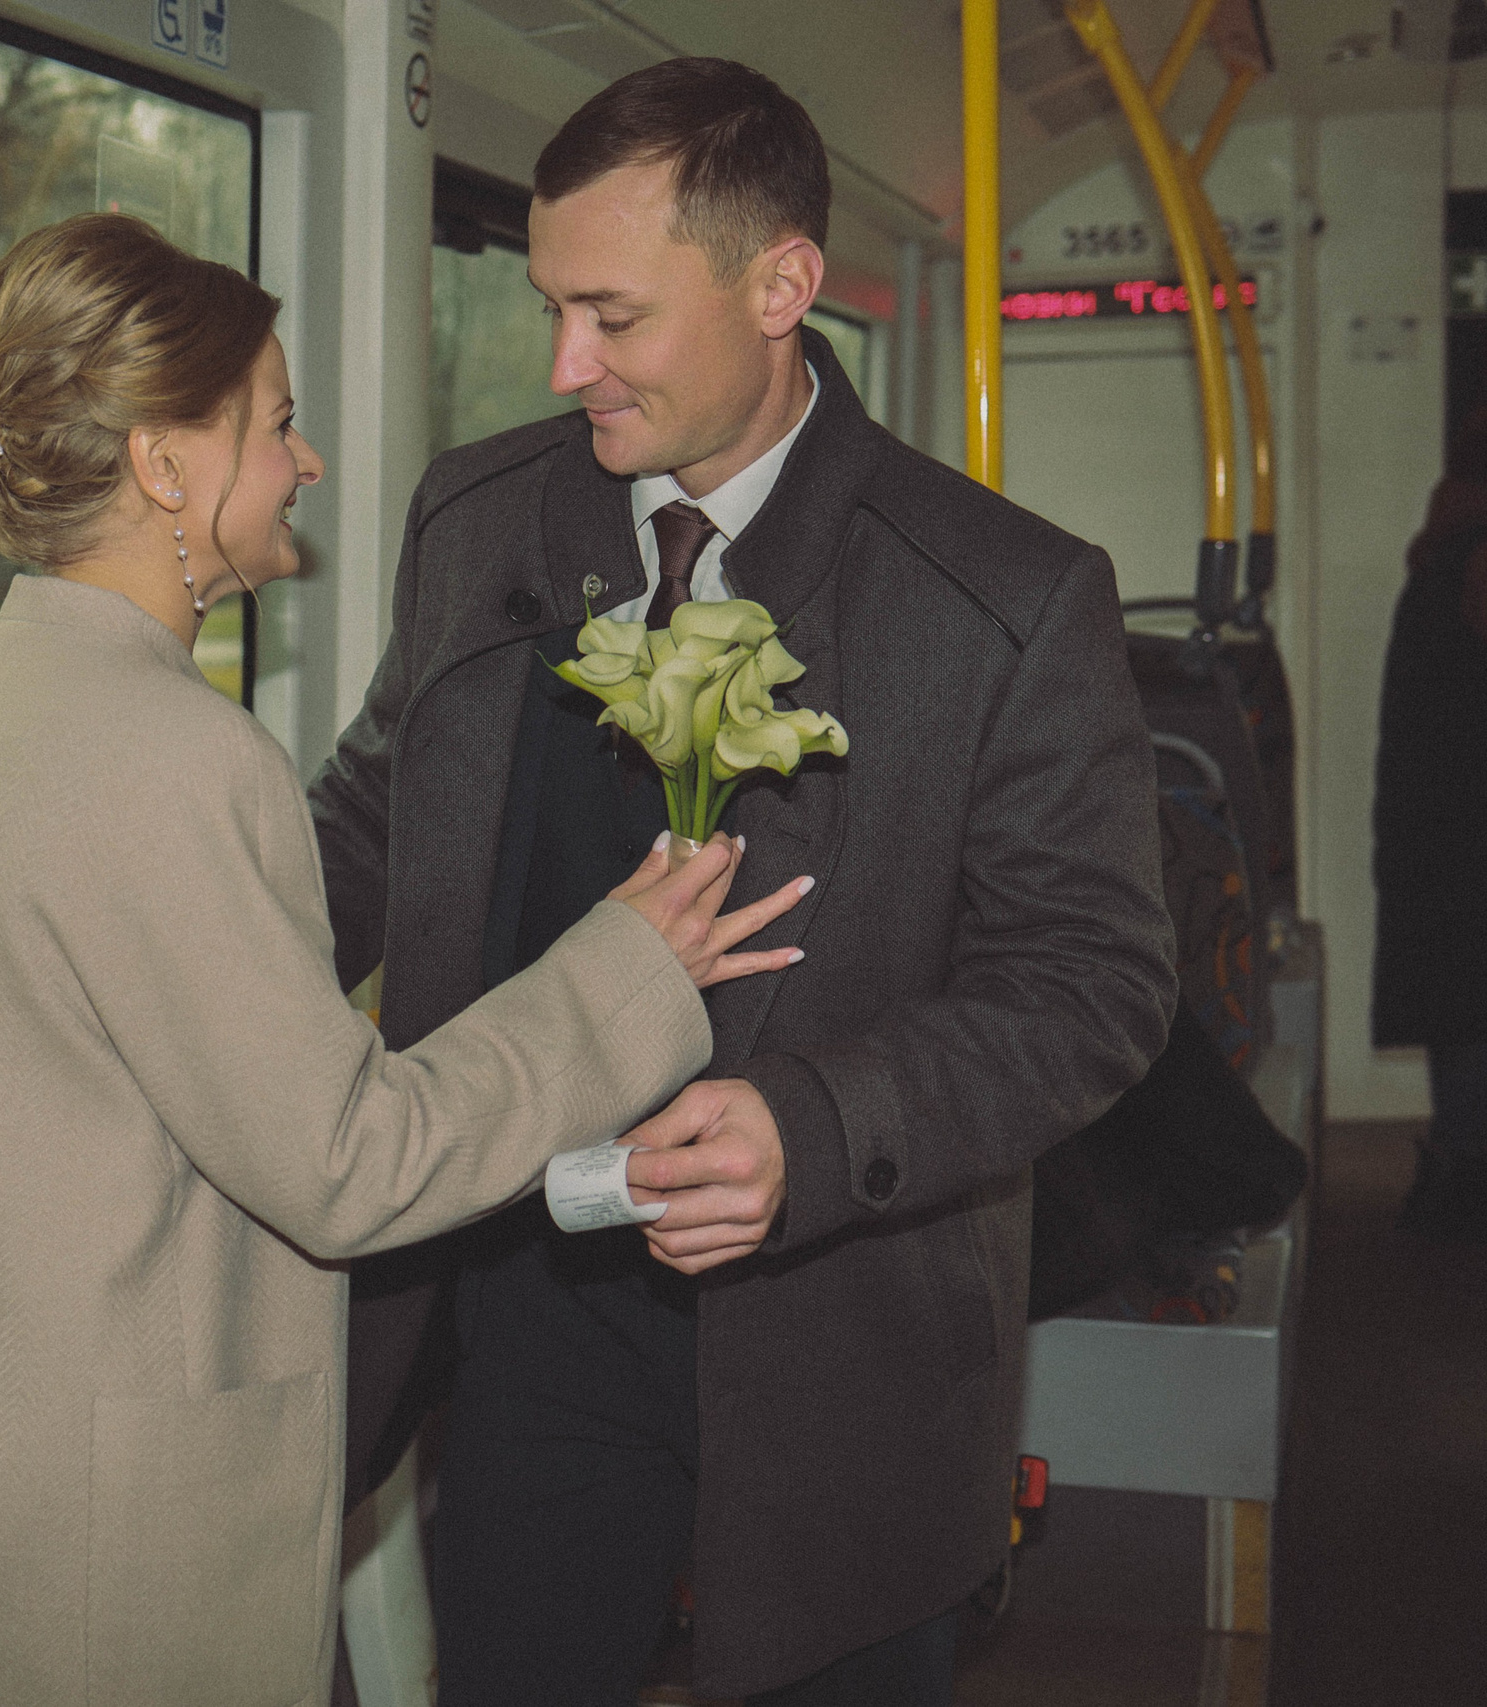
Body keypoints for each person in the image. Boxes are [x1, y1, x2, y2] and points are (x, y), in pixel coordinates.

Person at [0, 213, 809, 1707]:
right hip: (81, 1562)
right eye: (278, 422)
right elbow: (355, 1161)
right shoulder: (176, 755)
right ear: (165, 462)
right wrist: (630, 966)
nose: (305, 461)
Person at [311, 61, 1179, 1705]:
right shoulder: (477, 519)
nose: (566, 367)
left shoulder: (1002, 601)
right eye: (551, 308)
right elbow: (376, 814)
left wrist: (820, 1123)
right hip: (523, 1313)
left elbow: (1093, 981)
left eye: (614, 317)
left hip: (843, 1339)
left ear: (783, 283)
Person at [1375, 413, 1487, 1242]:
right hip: (1463, 832)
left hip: (1440, 836)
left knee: (1460, 1019)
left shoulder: (1438, 561)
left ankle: (1456, 1172)